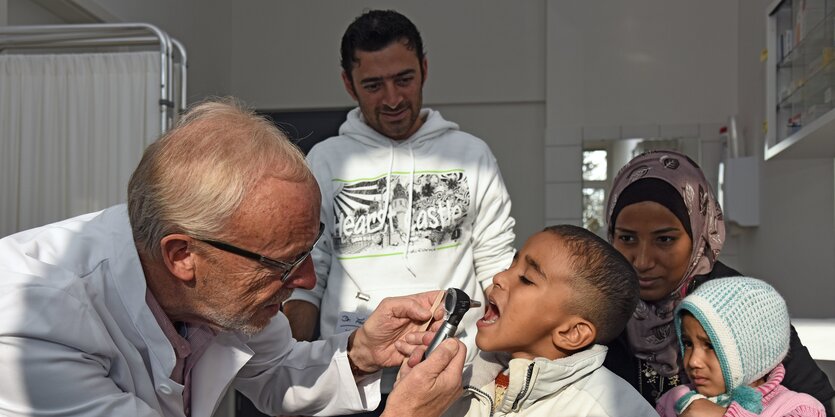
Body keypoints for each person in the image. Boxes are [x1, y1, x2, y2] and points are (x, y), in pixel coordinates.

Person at [0, 99, 467, 417]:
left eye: (310, 249)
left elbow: (276, 367)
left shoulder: (219, 287)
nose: (306, 279)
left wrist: (362, 353)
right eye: (285, 263)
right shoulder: (33, 323)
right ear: (183, 255)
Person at [283, 9, 516, 411]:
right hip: (348, 382)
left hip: (451, 382)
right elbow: (308, 278)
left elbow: (498, 270)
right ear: (348, 84)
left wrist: (504, 372)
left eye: (403, 80)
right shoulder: (324, 161)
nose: (392, 99)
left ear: (424, 69)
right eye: (373, 85)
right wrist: (293, 374)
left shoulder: (471, 156)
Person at [602, 150, 835, 415]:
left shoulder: (738, 305)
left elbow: (818, 404)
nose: (642, 261)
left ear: (699, 236)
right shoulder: (600, 305)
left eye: (664, 239)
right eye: (627, 239)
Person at [437, 225, 657, 417]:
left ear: (571, 332)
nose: (499, 278)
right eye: (511, 265)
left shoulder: (609, 408)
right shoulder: (465, 381)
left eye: (526, 279)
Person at [656, 276, 826, 417]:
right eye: (688, 344)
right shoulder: (674, 401)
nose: (693, 361)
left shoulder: (798, 409)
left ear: (754, 351)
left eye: (710, 346)